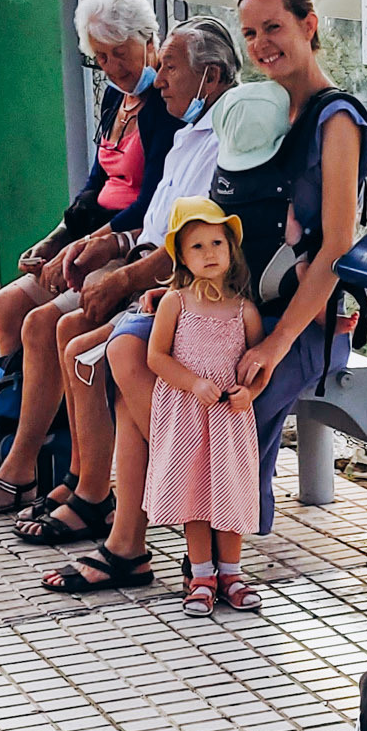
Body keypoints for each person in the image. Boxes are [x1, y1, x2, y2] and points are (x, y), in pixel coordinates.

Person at [50, 0, 367, 600]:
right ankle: (150, 528)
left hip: (291, 322)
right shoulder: (268, 109)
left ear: (310, 27)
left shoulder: (334, 120)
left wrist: (271, 347)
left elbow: (336, 247)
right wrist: (175, 287)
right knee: (125, 348)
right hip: (226, 305)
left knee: (184, 392)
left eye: (274, 28)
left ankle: (165, 529)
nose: (262, 44)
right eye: (251, 32)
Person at [0, 14, 237, 528]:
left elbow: (184, 242)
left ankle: (86, 486)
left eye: (161, 63)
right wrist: (83, 240)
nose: (115, 68)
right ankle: (61, 469)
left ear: (208, 77)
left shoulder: (197, 130)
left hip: (163, 279)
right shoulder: (183, 127)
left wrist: (119, 266)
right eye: (99, 57)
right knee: (26, 312)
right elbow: (117, 201)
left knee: (72, 336)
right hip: (131, 254)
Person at [0, 0, 177, 368]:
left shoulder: (163, 105)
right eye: (101, 57)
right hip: (92, 231)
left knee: (42, 323)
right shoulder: (113, 98)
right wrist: (55, 239)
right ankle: (11, 405)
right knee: (7, 306)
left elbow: (149, 202)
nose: (113, 68)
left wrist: (81, 247)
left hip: (126, 240)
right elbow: (96, 184)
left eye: (121, 53)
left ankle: (50, 420)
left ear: (149, 40)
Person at [140, 200, 264, 614]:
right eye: (197, 246)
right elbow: (156, 358)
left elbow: (259, 367)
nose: (209, 253)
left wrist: (250, 393)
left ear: (231, 251)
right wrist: (193, 383)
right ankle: (201, 574)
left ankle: (232, 572)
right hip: (187, 416)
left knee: (228, 492)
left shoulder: (245, 311)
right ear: (181, 255)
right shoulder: (175, 303)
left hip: (229, 420)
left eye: (217, 243)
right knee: (193, 493)